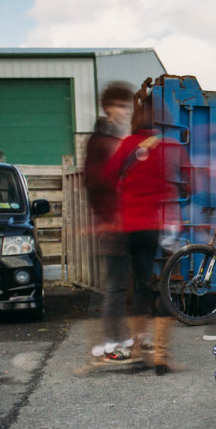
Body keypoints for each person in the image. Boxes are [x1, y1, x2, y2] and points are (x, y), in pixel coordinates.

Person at [104, 113, 184, 373]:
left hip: (128, 227)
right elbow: (186, 184)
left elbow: (108, 177)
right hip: (156, 225)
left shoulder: (127, 144)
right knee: (158, 284)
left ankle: (138, 355)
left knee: (134, 285)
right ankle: (161, 357)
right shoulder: (167, 146)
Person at [83, 82, 135, 362]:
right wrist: (107, 218)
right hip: (113, 223)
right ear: (107, 108)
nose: (124, 111)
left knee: (119, 283)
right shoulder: (101, 141)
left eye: (128, 106)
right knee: (115, 285)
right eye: (119, 106)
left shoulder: (116, 138)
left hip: (125, 222)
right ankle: (110, 341)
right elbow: (96, 183)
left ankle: (120, 336)